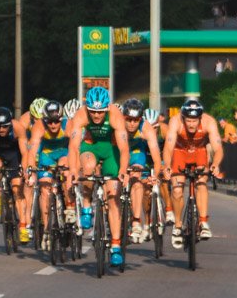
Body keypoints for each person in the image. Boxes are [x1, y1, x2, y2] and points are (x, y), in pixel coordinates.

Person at [68, 86, 130, 267]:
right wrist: (73, 170)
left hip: (111, 151)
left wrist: (123, 171)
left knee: (113, 196)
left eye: (100, 112)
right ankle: (87, 204)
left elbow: (124, 149)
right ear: (88, 108)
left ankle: (116, 247)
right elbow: (73, 147)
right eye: (93, 112)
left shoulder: (116, 115)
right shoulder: (81, 115)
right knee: (87, 168)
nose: (96, 116)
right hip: (91, 148)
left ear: (107, 108)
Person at [162, 98, 223, 247]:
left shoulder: (209, 122)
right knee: (177, 190)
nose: (191, 124)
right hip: (180, 152)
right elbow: (168, 147)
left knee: (201, 184)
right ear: (183, 117)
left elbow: (218, 148)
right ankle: (177, 225)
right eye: (188, 120)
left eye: (195, 121)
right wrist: (167, 166)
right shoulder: (175, 122)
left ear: (200, 118)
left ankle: (203, 222)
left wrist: (215, 164)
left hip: (199, 152)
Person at [27, 99, 73, 245]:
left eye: (56, 122)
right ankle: (47, 229)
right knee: (44, 188)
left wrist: (74, 167)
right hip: (47, 155)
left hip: (64, 153)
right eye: (49, 122)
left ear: (61, 119)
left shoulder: (68, 125)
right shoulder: (39, 126)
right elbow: (32, 150)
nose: (53, 125)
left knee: (65, 171)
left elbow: (75, 147)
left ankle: (70, 206)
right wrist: (31, 170)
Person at [120, 98, 162, 243]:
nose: (132, 124)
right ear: (123, 117)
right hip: (119, 152)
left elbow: (157, 159)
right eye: (129, 119)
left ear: (140, 119)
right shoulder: (117, 125)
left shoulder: (146, 129)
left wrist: (155, 176)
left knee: (137, 176)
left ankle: (136, 221)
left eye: (136, 120)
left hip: (137, 154)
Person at [0, 106, 30, 243]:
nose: (1, 130)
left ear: (10, 123)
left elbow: (25, 153)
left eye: (4, 127)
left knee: (17, 189)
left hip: (13, 154)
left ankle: (23, 227)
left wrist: (24, 169)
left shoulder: (18, 128)